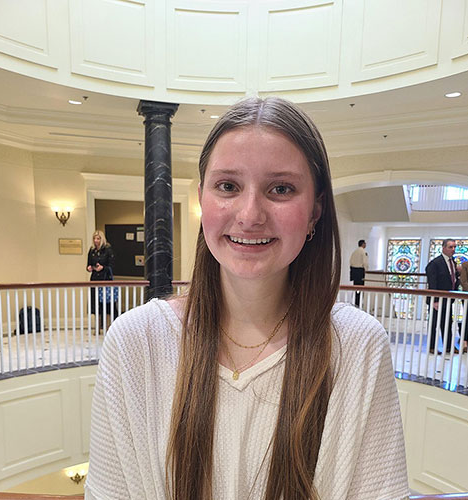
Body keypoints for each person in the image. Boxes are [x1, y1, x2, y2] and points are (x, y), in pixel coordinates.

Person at [85, 97, 409, 500]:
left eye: (281, 188)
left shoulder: (358, 345)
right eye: (228, 186)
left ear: (315, 212)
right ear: (202, 199)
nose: (250, 214)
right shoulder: (136, 341)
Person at [425, 239, 461, 354]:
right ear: (444, 248)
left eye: (454, 247)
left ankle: (449, 346)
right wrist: (435, 300)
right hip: (437, 299)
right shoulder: (435, 263)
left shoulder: (452, 262)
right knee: (434, 324)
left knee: (447, 323)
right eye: (450, 247)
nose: (453, 249)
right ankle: (431, 347)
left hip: (448, 298)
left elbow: (452, 279)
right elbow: (433, 282)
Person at [86, 230, 117, 320]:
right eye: (94, 238)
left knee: (107, 303)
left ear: (102, 239)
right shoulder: (92, 251)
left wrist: (103, 268)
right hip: (95, 279)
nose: (96, 241)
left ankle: (108, 325)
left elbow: (112, 266)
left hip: (105, 279)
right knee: (95, 304)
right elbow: (88, 264)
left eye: (98, 238)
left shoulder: (108, 250)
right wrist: (89, 268)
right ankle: (98, 325)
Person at [349, 239, 369, 307]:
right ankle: (359, 304)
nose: (365, 245)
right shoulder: (363, 252)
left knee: (356, 288)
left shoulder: (354, 252)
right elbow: (365, 263)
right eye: (365, 243)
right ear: (363, 244)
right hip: (360, 271)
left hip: (354, 271)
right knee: (360, 288)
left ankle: (355, 303)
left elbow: (351, 262)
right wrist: (366, 271)